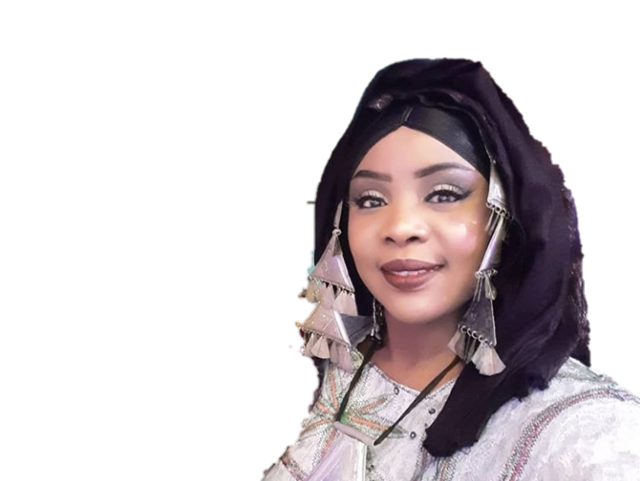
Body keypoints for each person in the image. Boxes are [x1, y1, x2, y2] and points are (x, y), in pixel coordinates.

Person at [262, 57, 639, 480]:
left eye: (444, 194)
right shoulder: (322, 364)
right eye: (370, 199)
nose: (400, 227)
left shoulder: (586, 433)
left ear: (506, 217)